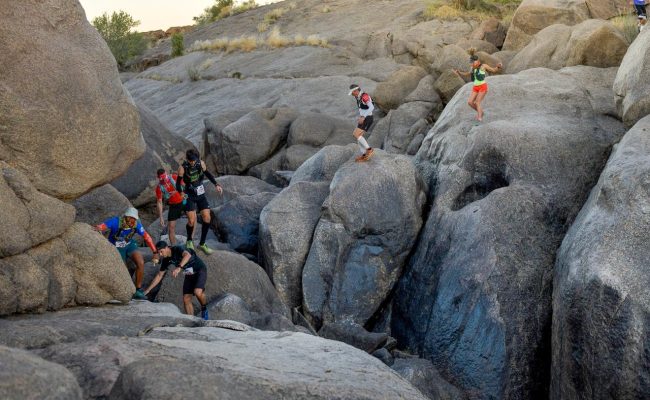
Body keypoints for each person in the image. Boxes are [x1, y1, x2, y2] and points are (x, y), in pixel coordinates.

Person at [94, 207, 157, 299]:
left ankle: (138, 290)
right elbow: (103, 226)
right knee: (123, 269)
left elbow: (147, 237)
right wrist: (99, 227)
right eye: (130, 218)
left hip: (129, 244)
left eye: (134, 218)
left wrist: (154, 251)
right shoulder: (116, 221)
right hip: (116, 247)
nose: (132, 220)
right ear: (125, 217)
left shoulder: (137, 225)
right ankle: (128, 289)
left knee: (140, 262)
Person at [145, 241, 209, 320]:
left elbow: (187, 255)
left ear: (167, 247)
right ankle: (192, 320)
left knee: (197, 292)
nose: (161, 254)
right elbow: (159, 275)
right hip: (189, 273)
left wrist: (179, 268)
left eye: (161, 251)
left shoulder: (178, 249)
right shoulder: (166, 260)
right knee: (186, 299)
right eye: (159, 253)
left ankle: (204, 309)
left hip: (200, 269)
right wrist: (147, 290)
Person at [176, 149, 222, 254]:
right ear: (187, 159)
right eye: (190, 161)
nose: (192, 163)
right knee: (191, 221)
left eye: (194, 160)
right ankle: (189, 240)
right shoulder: (182, 168)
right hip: (189, 195)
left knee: (207, 218)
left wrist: (216, 184)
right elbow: (178, 184)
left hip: (200, 193)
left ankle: (202, 244)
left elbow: (208, 174)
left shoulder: (201, 163)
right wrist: (181, 193)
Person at [453, 49, 502, 122]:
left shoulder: (483, 66)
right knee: (470, 102)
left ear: (478, 61)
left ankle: (479, 118)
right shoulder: (472, 68)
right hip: (475, 87)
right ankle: (481, 112)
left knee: (477, 102)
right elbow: (467, 74)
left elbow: (493, 70)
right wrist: (459, 73)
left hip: (482, 86)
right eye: (471, 63)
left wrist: (498, 67)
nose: (471, 64)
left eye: (473, 62)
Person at [155, 168, 185, 246]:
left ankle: (190, 240)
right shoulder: (159, 187)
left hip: (183, 200)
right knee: (171, 227)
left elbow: (185, 185)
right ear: (159, 178)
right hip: (173, 205)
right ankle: (174, 247)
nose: (164, 180)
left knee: (192, 217)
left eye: (165, 177)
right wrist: (161, 217)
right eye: (162, 179)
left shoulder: (174, 177)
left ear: (166, 174)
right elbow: (159, 202)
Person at [348, 84, 375, 162]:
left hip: (367, 118)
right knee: (358, 137)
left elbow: (372, 107)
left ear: (356, 91)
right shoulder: (358, 97)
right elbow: (362, 109)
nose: (352, 95)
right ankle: (364, 155)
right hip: (364, 118)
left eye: (352, 93)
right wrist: (361, 116)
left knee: (356, 134)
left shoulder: (364, 96)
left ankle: (369, 150)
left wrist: (363, 117)